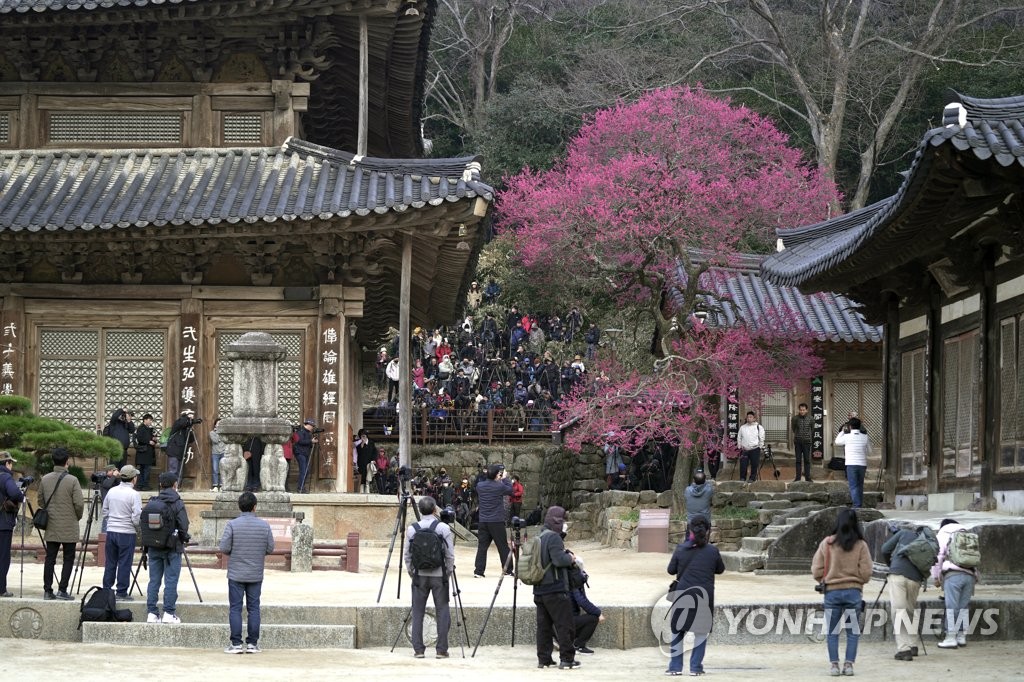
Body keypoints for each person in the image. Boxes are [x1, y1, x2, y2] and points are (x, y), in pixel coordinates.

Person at [811, 508, 872, 677]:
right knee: (852, 631)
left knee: (832, 631)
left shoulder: (827, 543)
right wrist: (857, 580)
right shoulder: (861, 545)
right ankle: (849, 665)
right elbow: (867, 572)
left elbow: (816, 570)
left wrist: (825, 580)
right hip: (853, 593)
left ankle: (834, 666)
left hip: (832, 593)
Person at [665, 514, 724, 676]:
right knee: (700, 632)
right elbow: (720, 569)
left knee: (678, 630)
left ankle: (675, 667)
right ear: (707, 531)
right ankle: (695, 668)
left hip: (683, 594)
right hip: (704, 596)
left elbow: (671, 570)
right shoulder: (713, 551)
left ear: (689, 529)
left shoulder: (681, 549)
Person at [220, 491, 275, 654]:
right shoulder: (264, 525)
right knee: (254, 608)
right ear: (255, 507)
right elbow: (270, 548)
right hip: (255, 573)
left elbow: (224, 547)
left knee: (235, 608)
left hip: (236, 572)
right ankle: (252, 643)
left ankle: (236, 644)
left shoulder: (232, 524)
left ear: (239, 506)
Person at [403, 496, 455, 658]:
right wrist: (447, 573)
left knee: (418, 611)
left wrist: (412, 572)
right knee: (442, 610)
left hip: (419, 576)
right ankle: (441, 650)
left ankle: (418, 650)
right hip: (439, 575)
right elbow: (450, 555)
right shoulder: (443, 528)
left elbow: (407, 555)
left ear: (419, 510)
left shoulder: (412, 529)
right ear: (435, 510)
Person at [534, 506, 578, 670]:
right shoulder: (553, 538)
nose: (565, 524)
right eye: (563, 520)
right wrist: (571, 558)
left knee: (544, 627)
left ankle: (544, 659)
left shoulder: (540, 536)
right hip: (555, 588)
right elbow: (559, 560)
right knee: (564, 625)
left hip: (539, 589)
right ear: (557, 521)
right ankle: (567, 659)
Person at [146, 472, 190, 624]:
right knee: (171, 580)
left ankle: (151, 613)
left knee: (154, 581)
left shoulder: (153, 501)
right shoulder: (177, 502)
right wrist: (183, 538)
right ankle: (169, 613)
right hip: (172, 546)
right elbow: (184, 525)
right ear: (175, 485)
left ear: (160, 485)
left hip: (153, 546)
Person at [931, 518, 980, 649]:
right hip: (970, 575)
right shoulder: (967, 534)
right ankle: (961, 636)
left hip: (953, 574)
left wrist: (936, 576)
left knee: (952, 606)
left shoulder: (943, 534)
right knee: (963, 606)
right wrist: (976, 576)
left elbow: (939, 556)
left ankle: (950, 637)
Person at [881, 522, 927, 660]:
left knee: (899, 611)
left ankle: (904, 649)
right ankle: (913, 646)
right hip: (916, 579)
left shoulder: (904, 533)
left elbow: (884, 549)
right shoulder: (926, 543)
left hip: (898, 575)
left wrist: (891, 564)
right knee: (910, 611)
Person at [102, 464, 142, 600]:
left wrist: (111, 521)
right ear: (133, 479)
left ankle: (106, 590)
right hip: (127, 531)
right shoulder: (134, 494)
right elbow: (136, 517)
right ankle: (121, 591)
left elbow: (104, 511)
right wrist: (135, 526)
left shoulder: (112, 491)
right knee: (124, 562)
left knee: (110, 562)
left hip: (111, 530)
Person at [473, 464, 512, 578]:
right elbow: (510, 490)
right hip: (496, 521)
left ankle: (478, 571)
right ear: (497, 475)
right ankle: (508, 570)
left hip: (483, 520)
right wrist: (505, 478)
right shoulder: (499, 486)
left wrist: (496, 478)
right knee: (503, 546)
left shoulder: (480, 486)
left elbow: (484, 483)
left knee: (482, 547)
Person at [0, 451, 25, 598]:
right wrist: (22, 495)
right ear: (7, 463)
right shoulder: (5, 477)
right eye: (11, 463)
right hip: (3, 522)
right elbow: (15, 494)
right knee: (3, 556)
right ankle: (2, 588)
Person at [569, 557, 603, 656]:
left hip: (557, 622)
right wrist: (598, 612)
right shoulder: (574, 578)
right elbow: (582, 601)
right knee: (593, 619)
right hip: (566, 623)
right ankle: (578, 645)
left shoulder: (564, 576)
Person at [834, 417, 869, 508]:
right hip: (862, 464)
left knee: (853, 486)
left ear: (850, 426)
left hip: (851, 464)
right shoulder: (865, 437)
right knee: (860, 485)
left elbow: (837, 441)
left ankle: (857, 506)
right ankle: (859, 504)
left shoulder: (847, 436)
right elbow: (869, 450)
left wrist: (842, 431)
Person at [165, 409, 197, 479]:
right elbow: (182, 423)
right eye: (190, 415)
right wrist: (186, 417)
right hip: (174, 450)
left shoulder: (187, 427)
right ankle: (171, 487)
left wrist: (190, 428)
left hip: (181, 452)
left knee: (179, 471)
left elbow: (191, 440)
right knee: (173, 470)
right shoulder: (178, 423)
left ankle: (177, 487)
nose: (191, 416)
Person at [736, 411, 765, 483]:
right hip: (744, 449)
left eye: (751, 417)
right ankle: (742, 477)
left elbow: (762, 437)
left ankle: (752, 478)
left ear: (754, 418)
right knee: (743, 464)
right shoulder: (743, 427)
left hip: (755, 448)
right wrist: (739, 446)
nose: (749, 418)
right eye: (748, 417)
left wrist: (760, 446)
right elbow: (739, 437)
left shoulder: (759, 427)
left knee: (754, 464)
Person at [293, 419, 317, 494]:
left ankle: (302, 487)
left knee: (306, 471)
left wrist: (312, 442)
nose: (312, 427)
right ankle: (300, 488)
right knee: (303, 471)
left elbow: (307, 444)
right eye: (311, 425)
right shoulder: (300, 431)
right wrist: (311, 441)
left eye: (313, 426)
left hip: (306, 453)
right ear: (306, 424)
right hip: (300, 453)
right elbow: (299, 441)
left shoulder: (309, 433)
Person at [791, 402, 814, 482]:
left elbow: (812, 429)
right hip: (798, 442)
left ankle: (808, 477)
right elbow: (793, 429)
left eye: (803, 410)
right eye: (800, 410)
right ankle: (798, 477)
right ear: (799, 410)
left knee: (807, 460)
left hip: (807, 442)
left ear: (806, 410)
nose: (802, 411)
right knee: (798, 460)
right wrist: (798, 435)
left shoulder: (811, 418)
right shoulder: (795, 418)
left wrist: (808, 436)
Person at [134, 414, 157, 491]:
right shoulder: (141, 428)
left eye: (151, 420)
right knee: (143, 469)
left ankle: (144, 485)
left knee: (146, 469)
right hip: (143, 452)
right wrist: (149, 441)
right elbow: (139, 438)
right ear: (145, 420)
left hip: (148, 452)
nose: (151, 422)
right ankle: (141, 485)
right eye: (149, 420)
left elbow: (152, 439)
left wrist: (154, 439)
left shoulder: (149, 429)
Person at [353, 429, 377, 493]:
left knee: (368, 477)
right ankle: (361, 490)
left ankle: (367, 489)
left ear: (366, 436)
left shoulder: (371, 443)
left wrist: (373, 460)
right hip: (361, 463)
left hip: (369, 462)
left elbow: (374, 452)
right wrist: (362, 444)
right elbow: (358, 452)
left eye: (364, 436)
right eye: (361, 436)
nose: (363, 437)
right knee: (362, 476)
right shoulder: (359, 444)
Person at [210, 418, 227, 493]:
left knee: (222, 469)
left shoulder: (225, 433)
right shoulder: (212, 432)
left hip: (223, 452)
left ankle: (222, 485)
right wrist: (220, 434)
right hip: (215, 453)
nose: (219, 424)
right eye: (218, 423)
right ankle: (215, 486)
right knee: (215, 469)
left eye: (220, 423)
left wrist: (221, 435)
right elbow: (215, 440)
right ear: (215, 425)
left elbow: (226, 440)